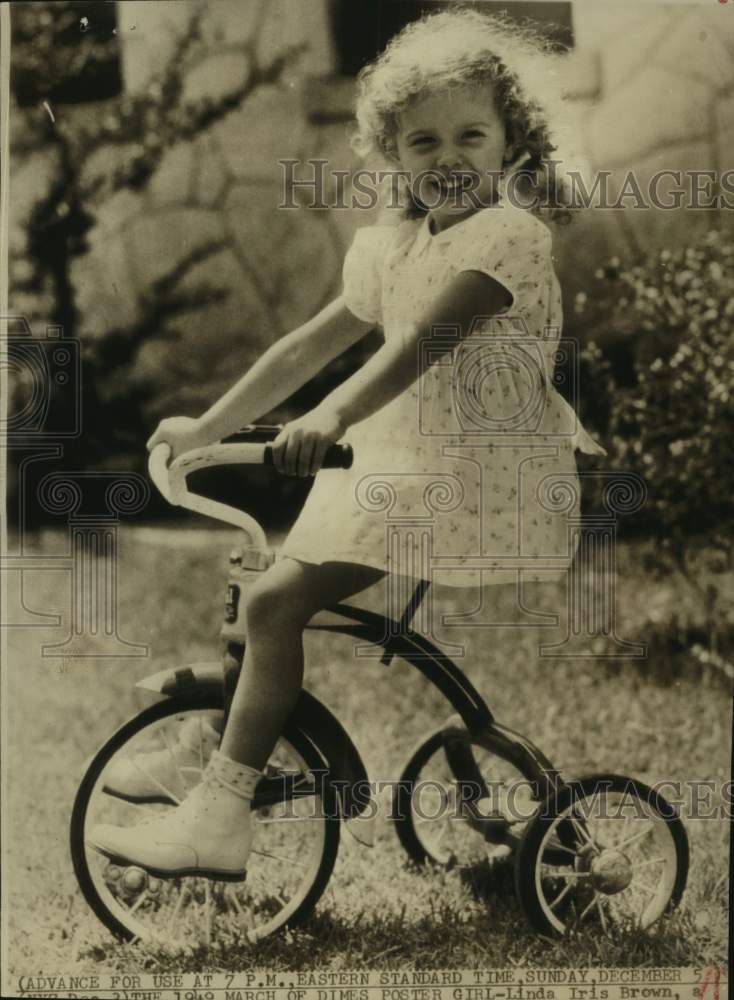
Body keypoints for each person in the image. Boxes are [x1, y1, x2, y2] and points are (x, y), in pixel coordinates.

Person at [89, 8, 606, 878]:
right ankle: (221, 748)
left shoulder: (508, 239)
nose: (447, 159)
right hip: (402, 465)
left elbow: (419, 346)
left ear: (512, 143)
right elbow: (303, 346)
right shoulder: (395, 246)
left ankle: (219, 811)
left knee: (272, 606)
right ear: (393, 153)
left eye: (470, 136)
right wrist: (207, 426)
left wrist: (329, 418)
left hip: (471, 475)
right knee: (263, 598)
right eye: (423, 142)